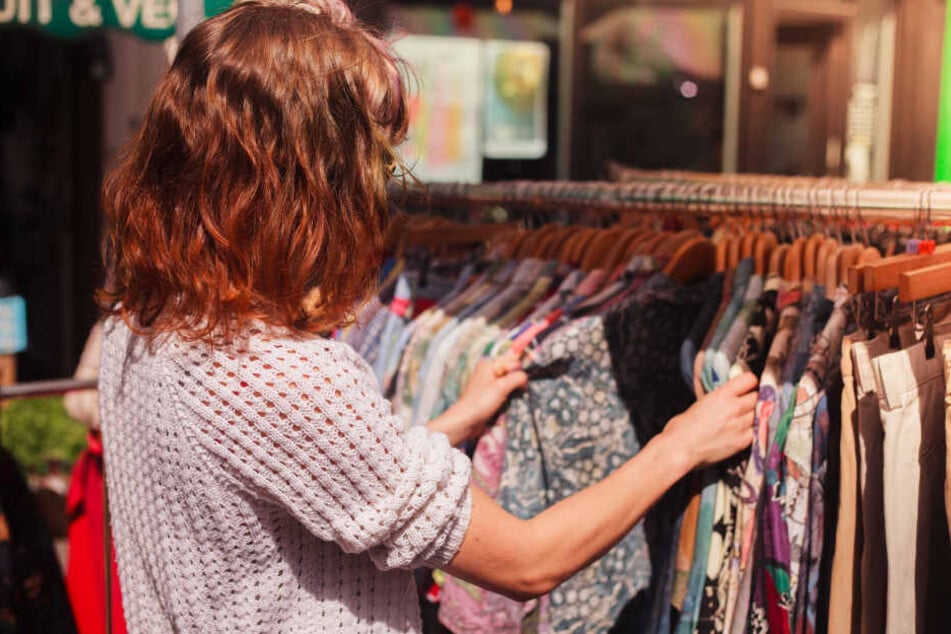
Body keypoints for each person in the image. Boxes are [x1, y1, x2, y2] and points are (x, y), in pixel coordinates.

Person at [95, 1, 759, 631]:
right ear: (307, 179)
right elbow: (528, 562)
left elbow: (300, 482)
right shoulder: (281, 373)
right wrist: (679, 444)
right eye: (369, 158)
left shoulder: (137, 324)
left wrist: (450, 423)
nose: (380, 181)